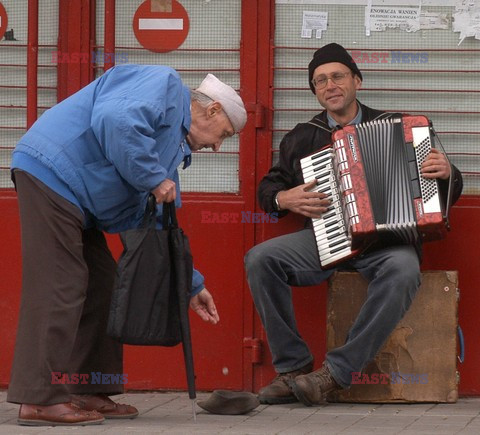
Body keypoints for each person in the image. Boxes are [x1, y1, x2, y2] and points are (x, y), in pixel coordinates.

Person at [8, 65, 247, 426]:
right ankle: (39, 399)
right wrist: (153, 178)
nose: (217, 146)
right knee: (62, 283)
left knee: (103, 284)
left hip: (79, 200)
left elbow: (153, 223)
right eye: (224, 134)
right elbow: (114, 119)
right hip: (52, 172)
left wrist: (191, 283)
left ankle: (86, 388)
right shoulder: (163, 85)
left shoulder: (172, 151)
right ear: (212, 109)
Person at [244, 43, 463, 406]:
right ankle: (293, 368)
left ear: (356, 81)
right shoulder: (302, 137)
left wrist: (446, 173)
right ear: (315, 91)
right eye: (320, 81)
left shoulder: (401, 128)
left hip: (387, 243)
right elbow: (270, 186)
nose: (329, 85)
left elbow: (446, 192)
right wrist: (285, 198)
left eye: (337, 76)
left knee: (406, 270)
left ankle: (335, 374)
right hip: (325, 236)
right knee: (260, 258)